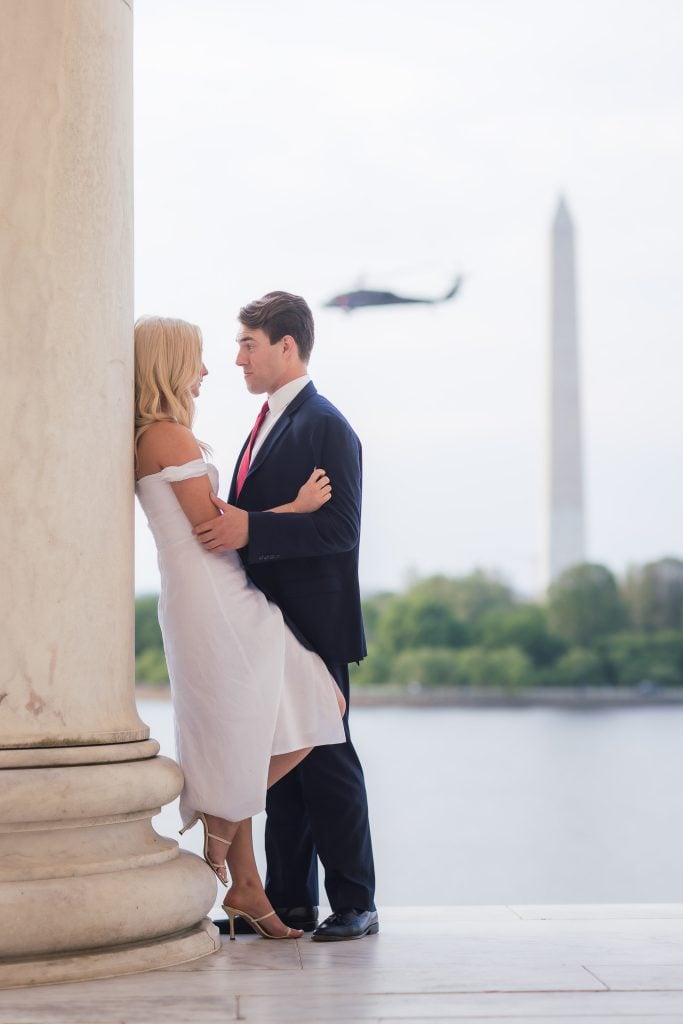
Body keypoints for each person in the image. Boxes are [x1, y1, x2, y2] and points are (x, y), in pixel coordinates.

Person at [134, 315, 346, 940]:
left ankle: (237, 871)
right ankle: (226, 843)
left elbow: (218, 526)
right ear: (169, 364)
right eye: (196, 360)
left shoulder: (168, 434)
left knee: (286, 713)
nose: (206, 371)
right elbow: (212, 528)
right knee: (304, 707)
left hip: (221, 591)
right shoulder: (165, 435)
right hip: (210, 597)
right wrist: (297, 509)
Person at [194, 291, 378, 942]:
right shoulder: (269, 420)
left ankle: (356, 903)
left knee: (328, 762)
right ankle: (290, 901)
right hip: (266, 625)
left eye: (247, 343)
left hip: (313, 624)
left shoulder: (325, 424)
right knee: (288, 765)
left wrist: (252, 527)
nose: (236, 358)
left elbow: (340, 529)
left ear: (286, 347)